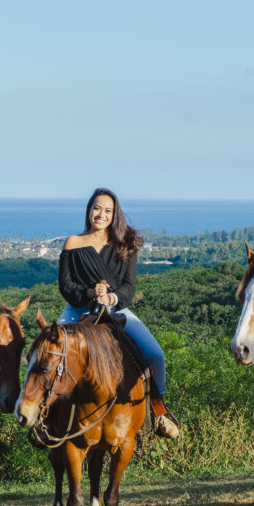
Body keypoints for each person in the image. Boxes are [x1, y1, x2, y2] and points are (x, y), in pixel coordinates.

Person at [57, 188, 179, 439]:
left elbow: (129, 286)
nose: (101, 214)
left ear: (115, 215)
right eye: (97, 208)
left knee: (155, 354)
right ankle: (43, 418)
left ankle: (158, 411)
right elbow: (66, 287)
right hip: (77, 309)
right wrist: (90, 293)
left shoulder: (125, 244)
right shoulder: (72, 243)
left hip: (116, 309)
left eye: (107, 210)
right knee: (50, 354)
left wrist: (112, 297)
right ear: (89, 210)